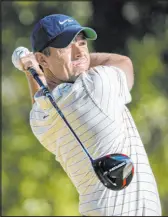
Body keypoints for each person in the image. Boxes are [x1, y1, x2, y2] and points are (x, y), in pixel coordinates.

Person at [12, 14, 162, 216]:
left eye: (82, 43)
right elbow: (122, 62)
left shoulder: (39, 121)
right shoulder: (96, 87)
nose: (79, 52)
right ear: (42, 59)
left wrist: (33, 68)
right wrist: (36, 67)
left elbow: (41, 99)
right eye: (66, 47)